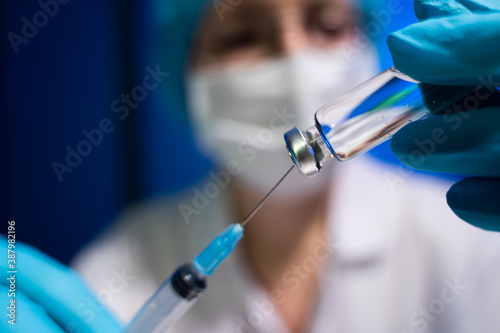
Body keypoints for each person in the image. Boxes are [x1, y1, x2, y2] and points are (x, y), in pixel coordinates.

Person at [2, 0, 499, 332]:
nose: (292, 58)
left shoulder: (466, 239)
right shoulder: (120, 266)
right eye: (241, 36)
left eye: (325, 26)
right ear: (188, 72)